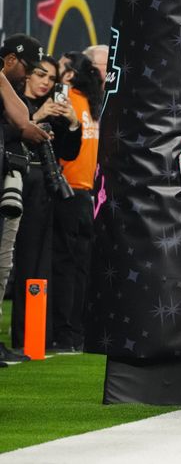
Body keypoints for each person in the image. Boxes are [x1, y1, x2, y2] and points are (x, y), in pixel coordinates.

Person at [7, 54, 81, 350]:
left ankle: (34, 337)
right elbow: (10, 135)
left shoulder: (54, 112)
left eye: (51, 78)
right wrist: (33, 119)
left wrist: (73, 122)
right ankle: (23, 336)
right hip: (14, 184)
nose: (44, 82)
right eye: (40, 75)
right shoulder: (12, 105)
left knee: (40, 263)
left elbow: (70, 152)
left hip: (45, 190)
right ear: (26, 74)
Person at [51, 51, 103, 350]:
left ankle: (62, 332)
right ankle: (77, 331)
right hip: (89, 194)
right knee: (82, 266)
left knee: (62, 264)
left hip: (66, 189)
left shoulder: (65, 97)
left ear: (69, 74)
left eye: (59, 68)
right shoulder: (95, 105)